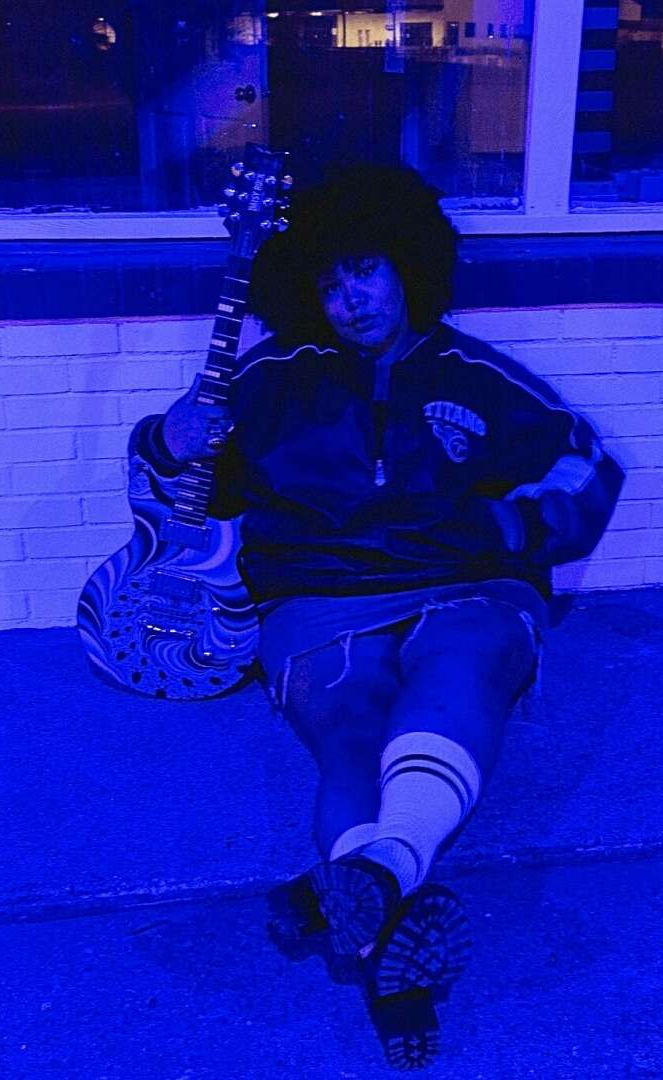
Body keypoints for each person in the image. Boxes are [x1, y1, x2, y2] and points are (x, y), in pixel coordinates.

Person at [126, 163, 623, 1063]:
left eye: (365, 271)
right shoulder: (269, 378)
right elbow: (187, 499)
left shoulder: (478, 376)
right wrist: (166, 440)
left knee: (460, 667)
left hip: (466, 585)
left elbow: (589, 467)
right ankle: (391, 926)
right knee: (353, 739)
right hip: (318, 601)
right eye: (328, 283)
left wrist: (505, 526)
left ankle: (370, 886)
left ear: (407, 265)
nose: (350, 299)